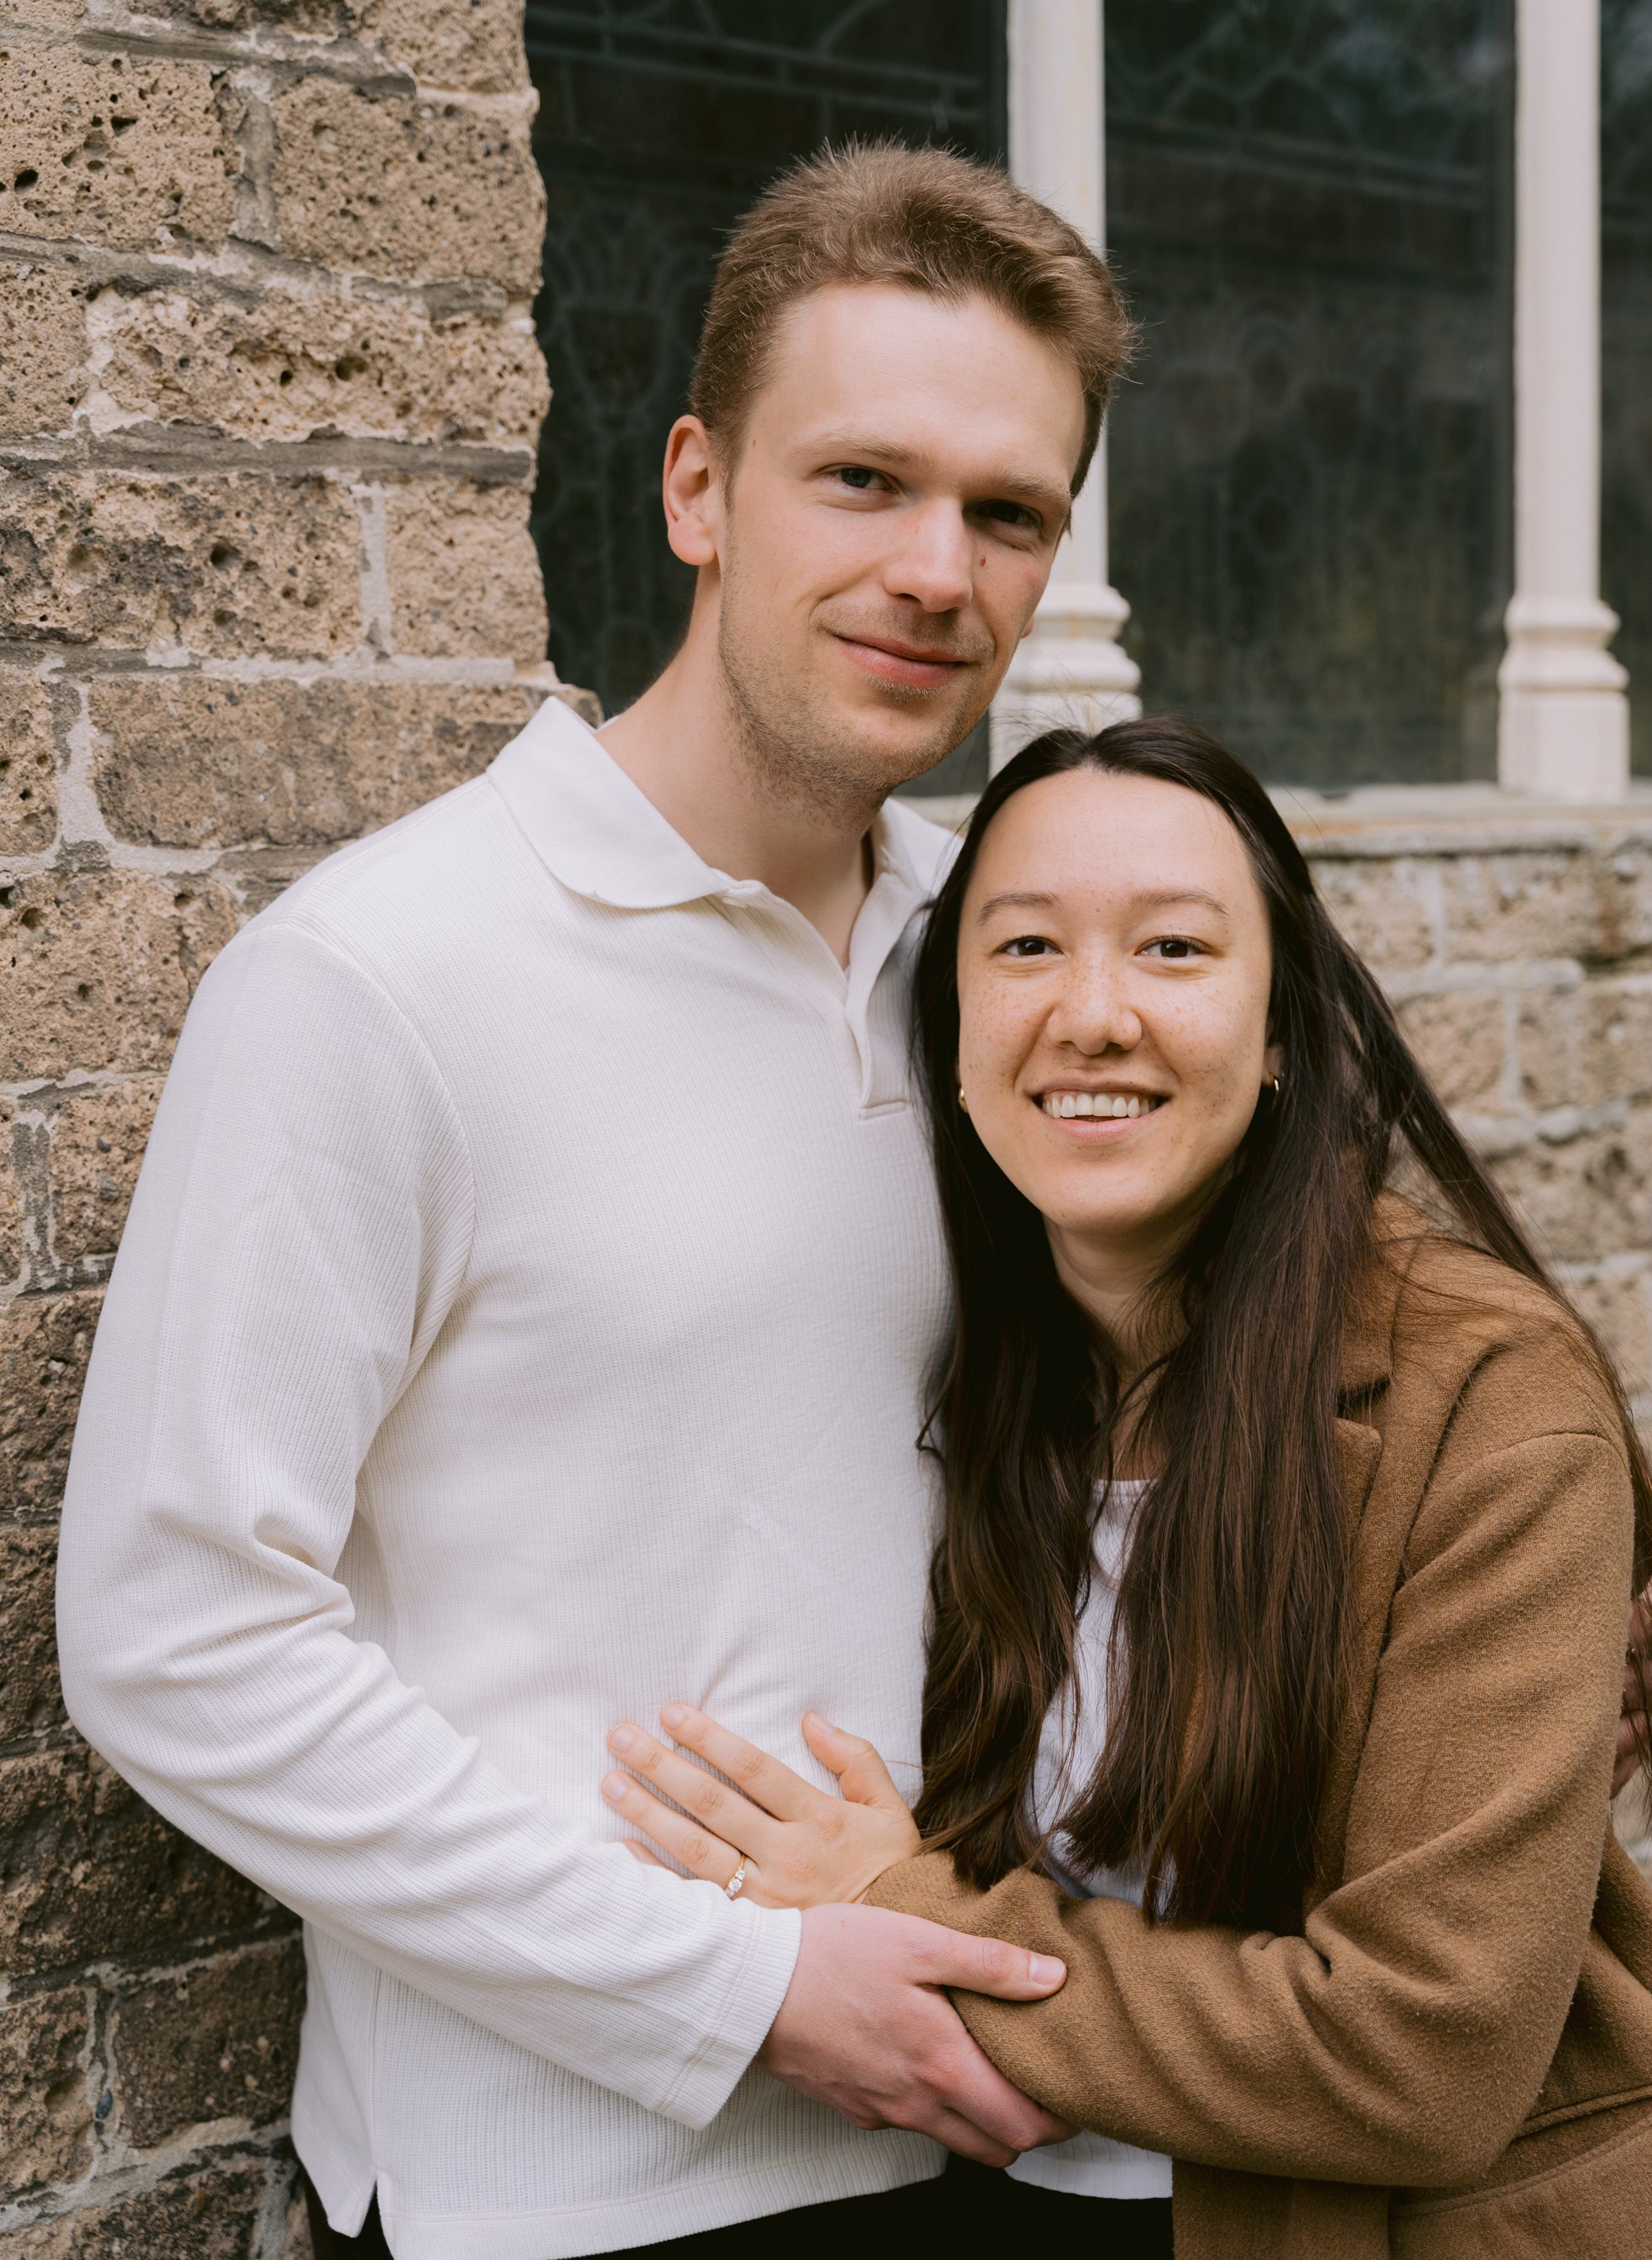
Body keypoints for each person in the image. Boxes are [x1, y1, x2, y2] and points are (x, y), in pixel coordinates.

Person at [53, 143, 1133, 2258]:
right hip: (567, 2193)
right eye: (863, 481)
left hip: (998, 2124)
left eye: (1007, 513)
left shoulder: (997, 960)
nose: (939, 568)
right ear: (697, 492)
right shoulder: (383, 976)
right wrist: (732, 1989)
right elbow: (178, 1633)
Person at [597, 716, 1652, 2258]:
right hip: (972, 2185)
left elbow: (1421, 2054)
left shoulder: (1481, 1400)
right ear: (951, 1033)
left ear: (1281, 1023)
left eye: (1172, 948)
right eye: (1024, 946)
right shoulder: (948, 1362)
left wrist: (915, 1904)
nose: (1093, 1016)